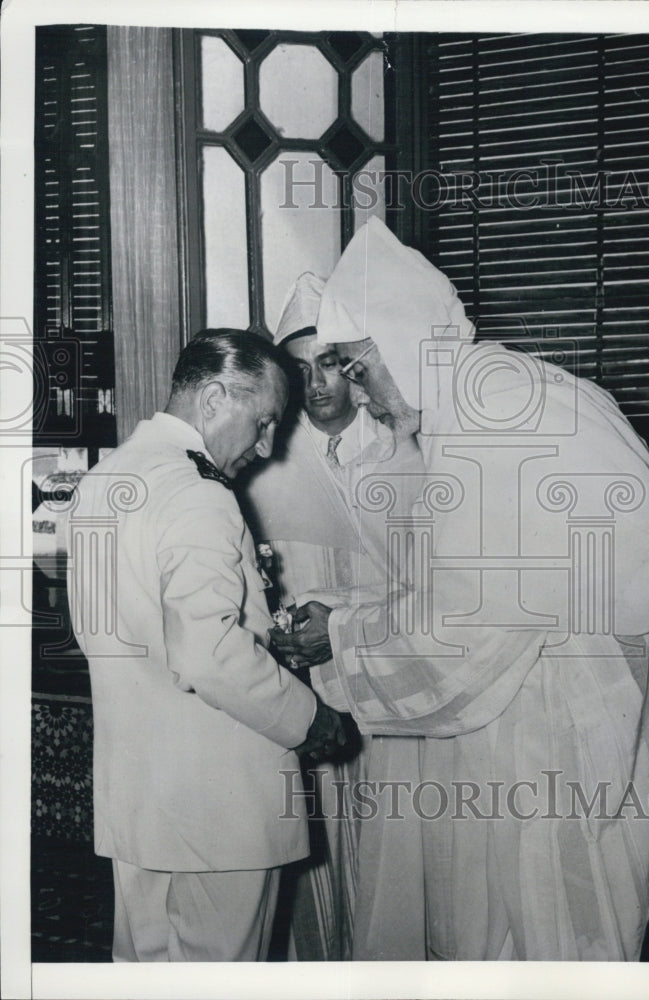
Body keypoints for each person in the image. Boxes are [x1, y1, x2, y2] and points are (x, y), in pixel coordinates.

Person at [272, 218, 649, 961]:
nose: (363, 395)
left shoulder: (488, 423)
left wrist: (340, 635)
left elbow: (463, 633)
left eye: (356, 368)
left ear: (404, 338)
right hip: (592, 695)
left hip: (574, 718)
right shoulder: (510, 387)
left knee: (558, 924)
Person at [68, 330, 345, 962]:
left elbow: (116, 631)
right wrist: (309, 720)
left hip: (140, 795)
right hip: (221, 805)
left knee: (143, 970)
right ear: (216, 397)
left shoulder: (105, 480)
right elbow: (207, 652)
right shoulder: (198, 492)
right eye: (265, 422)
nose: (267, 446)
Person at [242, 273, 426, 960]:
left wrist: (347, 626)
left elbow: (432, 586)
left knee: (388, 855)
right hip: (302, 694)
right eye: (297, 369)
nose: (315, 383)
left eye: (327, 363)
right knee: (308, 853)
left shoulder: (402, 450)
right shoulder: (261, 462)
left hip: (387, 686)